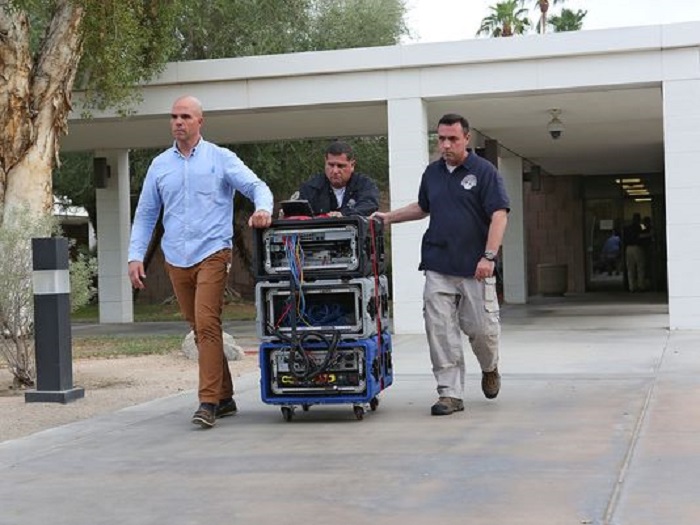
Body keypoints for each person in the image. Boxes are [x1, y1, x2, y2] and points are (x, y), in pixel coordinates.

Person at [127, 95, 273, 429]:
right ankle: (225, 396)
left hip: (213, 252)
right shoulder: (160, 165)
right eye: (174, 116)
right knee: (200, 328)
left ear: (199, 122)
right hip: (176, 257)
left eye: (185, 116)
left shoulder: (220, 158)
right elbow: (147, 213)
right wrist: (136, 255)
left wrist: (262, 208)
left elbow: (256, 186)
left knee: (207, 323)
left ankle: (207, 402)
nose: (178, 122)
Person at [372, 113, 510, 416]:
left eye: (452, 139)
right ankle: (450, 393)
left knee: (482, 330)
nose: (445, 145)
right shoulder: (432, 173)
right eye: (441, 139)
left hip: (475, 266)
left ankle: (490, 367)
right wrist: (389, 217)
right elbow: (423, 208)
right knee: (440, 330)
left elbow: (499, 214)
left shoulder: (484, 172)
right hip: (438, 264)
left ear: (466, 139)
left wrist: (489, 256)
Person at [296, 141, 379, 217]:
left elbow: (369, 205)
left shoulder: (364, 185)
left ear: (352, 165)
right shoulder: (311, 187)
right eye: (331, 165)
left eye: (340, 166)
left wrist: (344, 215)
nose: (335, 171)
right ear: (325, 162)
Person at [623, 213, 645, 292]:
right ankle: (641, 286)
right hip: (637, 247)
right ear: (639, 219)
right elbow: (643, 234)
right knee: (640, 267)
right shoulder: (640, 226)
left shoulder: (627, 228)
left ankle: (631, 287)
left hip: (628, 248)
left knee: (630, 268)